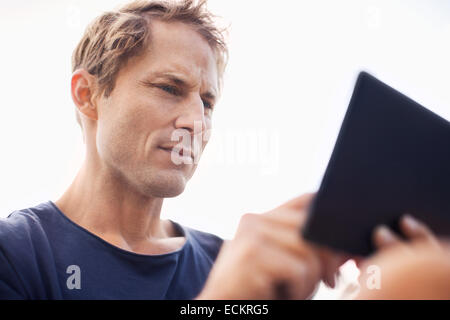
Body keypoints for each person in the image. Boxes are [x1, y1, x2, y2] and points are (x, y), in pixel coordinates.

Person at [0, 0, 437, 300]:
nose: (197, 122)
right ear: (87, 94)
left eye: (207, 102)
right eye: (170, 88)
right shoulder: (16, 255)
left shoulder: (230, 262)